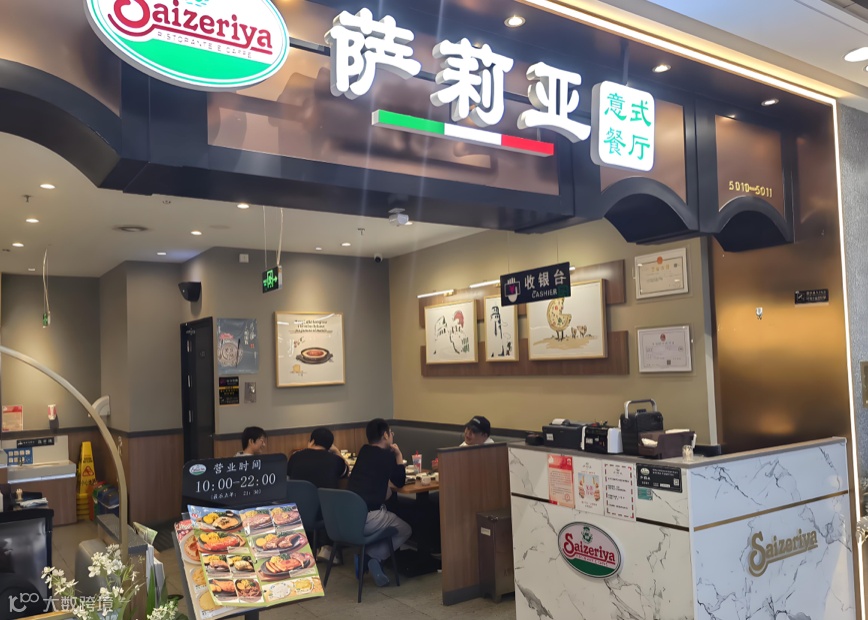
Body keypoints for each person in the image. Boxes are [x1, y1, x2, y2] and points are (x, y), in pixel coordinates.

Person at [347, 418, 411, 587]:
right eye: (390, 432)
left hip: (349, 517)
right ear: (385, 435)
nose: (392, 435)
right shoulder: (387, 455)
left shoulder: (364, 451)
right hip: (369, 518)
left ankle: (369, 558)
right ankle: (372, 557)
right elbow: (400, 482)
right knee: (405, 529)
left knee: (387, 516)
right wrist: (398, 455)